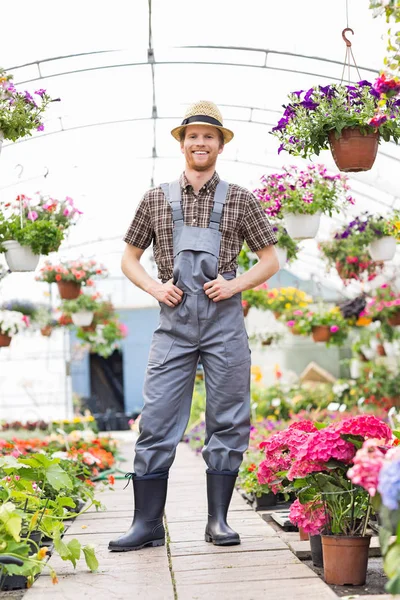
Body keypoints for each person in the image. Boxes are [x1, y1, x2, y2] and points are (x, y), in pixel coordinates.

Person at [108, 101, 279, 553]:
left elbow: (270, 259)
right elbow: (129, 258)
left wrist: (235, 284)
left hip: (224, 324)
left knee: (228, 417)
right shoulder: (156, 198)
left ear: (221, 144)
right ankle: (146, 525)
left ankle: (218, 521)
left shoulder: (241, 198)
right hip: (175, 323)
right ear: (182, 143)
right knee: (158, 418)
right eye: (193, 136)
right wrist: (154, 288)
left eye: (209, 136)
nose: (200, 143)